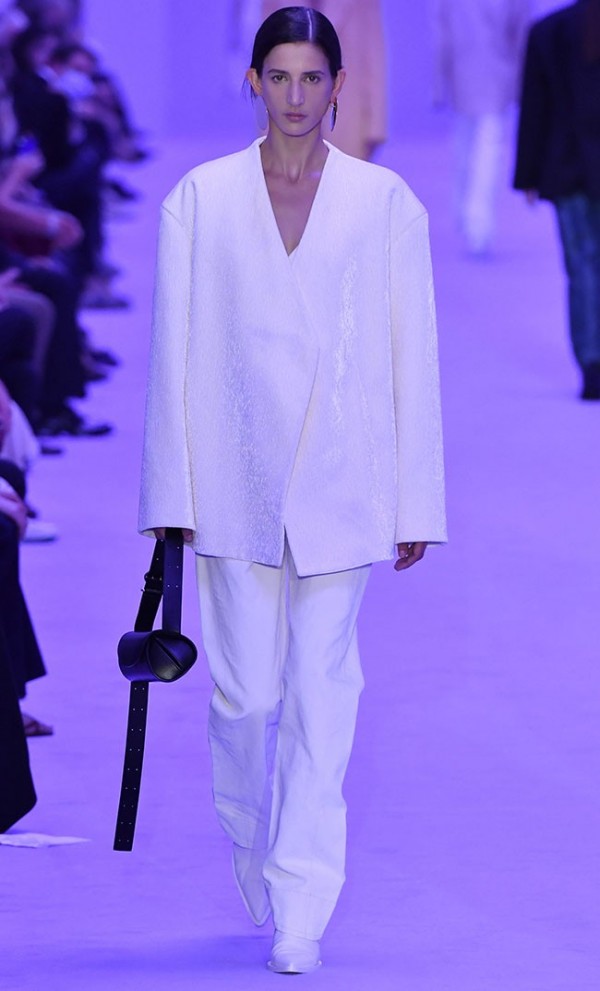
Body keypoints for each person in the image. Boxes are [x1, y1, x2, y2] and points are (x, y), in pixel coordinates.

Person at [139, 6, 446, 975]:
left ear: (339, 86)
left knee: (322, 693)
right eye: (280, 77)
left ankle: (303, 898)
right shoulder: (200, 198)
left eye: (314, 78)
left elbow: (413, 353)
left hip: (344, 480)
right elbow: (172, 354)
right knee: (244, 701)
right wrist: (171, 495)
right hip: (233, 480)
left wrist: (415, 501)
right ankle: (250, 837)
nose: (297, 96)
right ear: (254, 82)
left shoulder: (385, 202)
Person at [513, 0, 600, 400]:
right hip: (572, 169)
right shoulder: (549, 32)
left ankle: (592, 363)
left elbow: (535, 109)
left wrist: (528, 174)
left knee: (581, 266)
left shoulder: (549, 32)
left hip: (568, 168)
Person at [431, 0, 533, 255]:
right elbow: (520, 35)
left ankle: (472, 220)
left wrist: (439, 84)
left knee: (470, 146)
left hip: (468, 74)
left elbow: (442, 34)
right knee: (485, 150)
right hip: (495, 74)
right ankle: (477, 224)